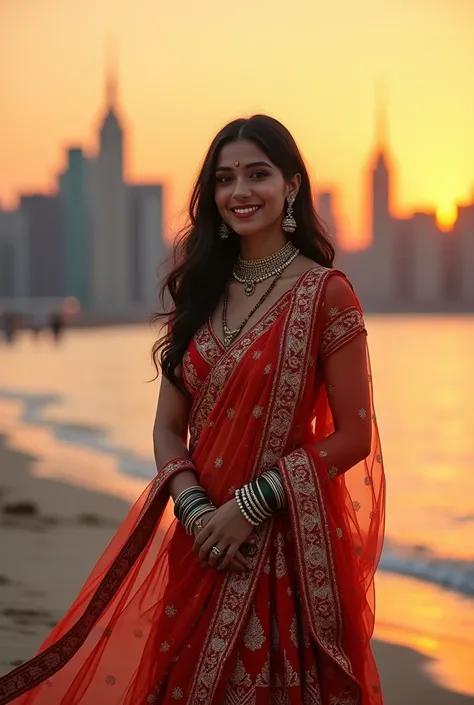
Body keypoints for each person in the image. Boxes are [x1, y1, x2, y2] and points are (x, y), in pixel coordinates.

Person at [0, 115, 386, 705]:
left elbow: (354, 436)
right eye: (225, 179)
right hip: (201, 538)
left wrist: (250, 506)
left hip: (280, 544)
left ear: (292, 185)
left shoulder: (326, 293)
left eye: (257, 174)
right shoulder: (200, 292)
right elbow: (166, 427)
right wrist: (199, 509)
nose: (240, 192)